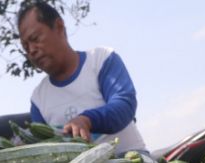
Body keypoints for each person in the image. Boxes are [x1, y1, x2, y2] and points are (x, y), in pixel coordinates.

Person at [17, 1, 147, 154]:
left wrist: (87, 120)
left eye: (35, 38)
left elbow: (124, 104)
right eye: (25, 47)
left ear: (59, 27)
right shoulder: (38, 99)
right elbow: (46, 149)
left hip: (132, 162)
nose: (31, 50)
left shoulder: (101, 59)